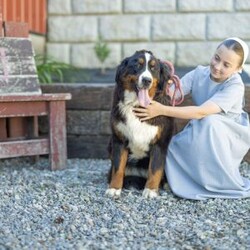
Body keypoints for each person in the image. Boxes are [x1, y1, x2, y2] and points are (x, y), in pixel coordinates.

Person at [134, 37, 250, 200]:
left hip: (229, 133)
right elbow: (172, 92)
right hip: (203, 126)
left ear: (238, 69)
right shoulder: (199, 73)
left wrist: (161, 110)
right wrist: (159, 75)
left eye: (226, 65)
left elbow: (202, 112)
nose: (217, 66)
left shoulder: (235, 86)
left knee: (210, 121)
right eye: (217, 58)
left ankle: (215, 182)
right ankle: (185, 179)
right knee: (171, 147)